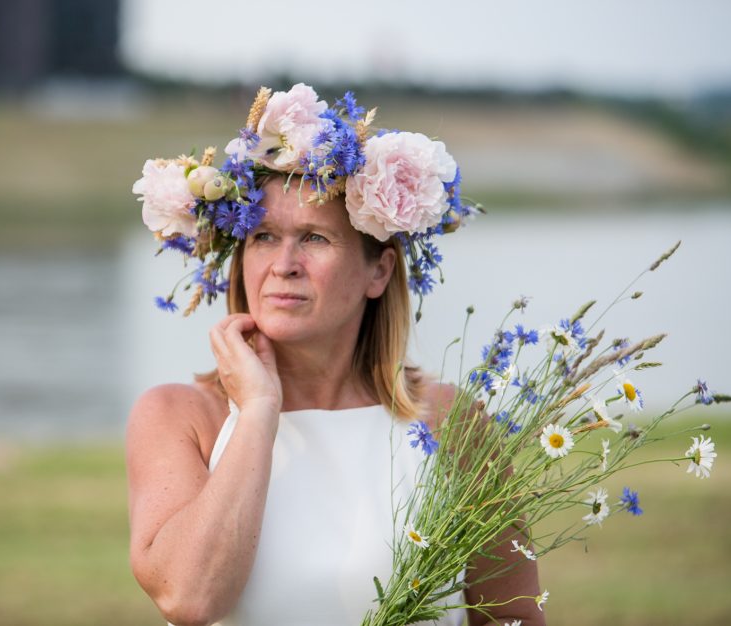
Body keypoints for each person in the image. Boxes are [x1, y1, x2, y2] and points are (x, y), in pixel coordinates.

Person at [126, 84, 543, 626]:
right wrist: (256, 410)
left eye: (315, 239)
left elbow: (511, 620)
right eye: (264, 237)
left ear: (379, 271)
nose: (285, 264)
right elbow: (189, 598)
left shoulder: (451, 423)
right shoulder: (179, 417)